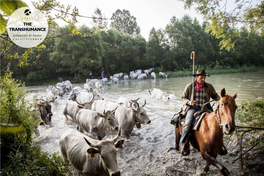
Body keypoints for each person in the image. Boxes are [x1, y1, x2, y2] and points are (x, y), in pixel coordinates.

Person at [180, 69, 220, 155]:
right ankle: (184, 142)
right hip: (193, 108)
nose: (203, 79)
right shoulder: (190, 86)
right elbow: (183, 98)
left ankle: (220, 144)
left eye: (204, 77)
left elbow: (215, 95)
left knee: (217, 121)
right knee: (187, 124)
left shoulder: (209, 86)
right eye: (201, 77)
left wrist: (220, 99)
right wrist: (189, 102)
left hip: (205, 108)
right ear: (196, 77)